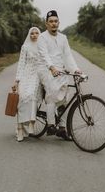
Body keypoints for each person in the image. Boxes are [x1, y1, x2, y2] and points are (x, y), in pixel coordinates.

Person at [37, 10, 82, 140]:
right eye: (51, 21)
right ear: (46, 24)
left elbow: (68, 56)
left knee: (65, 99)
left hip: (60, 70)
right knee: (52, 92)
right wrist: (51, 68)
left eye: (55, 21)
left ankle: (62, 129)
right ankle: (51, 124)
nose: (53, 24)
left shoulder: (63, 38)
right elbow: (44, 55)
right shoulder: (42, 37)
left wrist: (76, 69)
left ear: (59, 22)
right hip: (46, 69)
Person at [13, 27, 42, 142]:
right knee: (21, 97)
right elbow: (21, 64)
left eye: (36, 33)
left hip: (37, 75)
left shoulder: (42, 47)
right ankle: (19, 129)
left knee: (31, 94)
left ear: (39, 35)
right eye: (32, 33)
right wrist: (17, 80)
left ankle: (32, 121)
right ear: (29, 35)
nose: (34, 35)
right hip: (26, 74)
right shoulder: (25, 47)